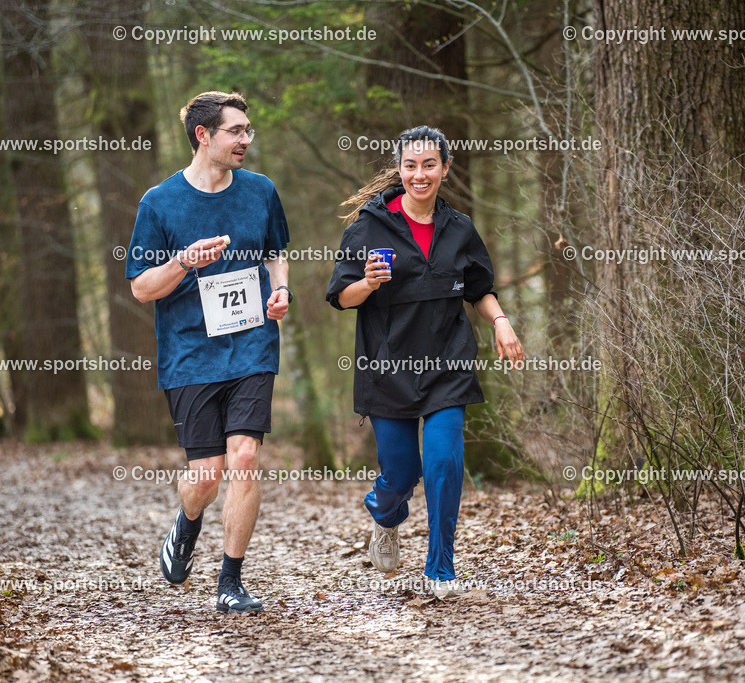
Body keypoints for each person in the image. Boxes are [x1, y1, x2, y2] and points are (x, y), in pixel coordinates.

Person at [326, 126, 524, 599]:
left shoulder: (459, 229)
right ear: (400, 168)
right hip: (387, 367)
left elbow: (479, 289)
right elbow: (340, 297)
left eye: (430, 165)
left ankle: (440, 568)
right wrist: (369, 284)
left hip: (446, 366)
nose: (420, 174)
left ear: (445, 169)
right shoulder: (368, 229)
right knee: (401, 473)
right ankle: (385, 515)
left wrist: (501, 322)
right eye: (411, 165)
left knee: (444, 461)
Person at [127, 91, 292, 614]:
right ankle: (188, 520)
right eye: (236, 131)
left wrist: (281, 290)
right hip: (190, 354)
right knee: (206, 475)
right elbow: (141, 287)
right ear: (204, 136)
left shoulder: (261, 191)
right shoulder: (159, 202)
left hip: (252, 344)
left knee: (244, 456)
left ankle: (231, 580)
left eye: (248, 130)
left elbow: (275, 253)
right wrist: (182, 262)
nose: (247, 139)